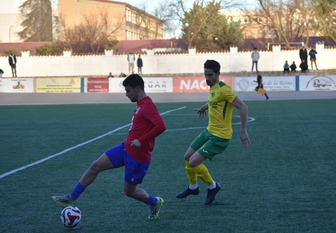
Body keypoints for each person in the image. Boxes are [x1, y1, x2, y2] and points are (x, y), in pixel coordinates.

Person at [52, 74, 167, 220]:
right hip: (125, 148)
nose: (126, 94)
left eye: (128, 90)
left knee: (129, 192)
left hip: (138, 157)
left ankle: (155, 202)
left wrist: (141, 140)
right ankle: (72, 196)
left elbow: (161, 126)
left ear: (137, 88)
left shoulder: (148, 105)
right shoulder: (140, 105)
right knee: (95, 166)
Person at [176, 60, 251, 205]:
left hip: (220, 137)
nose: (207, 78)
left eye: (210, 75)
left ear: (218, 74)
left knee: (193, 162)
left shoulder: (224, 89)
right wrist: (204, 108)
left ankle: (213, 186)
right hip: (209, 131)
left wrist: (243, 131)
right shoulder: (213, 88)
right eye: (205, 75)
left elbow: (243, 107)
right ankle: (193, 187)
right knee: (187, 157)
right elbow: (214, 101)